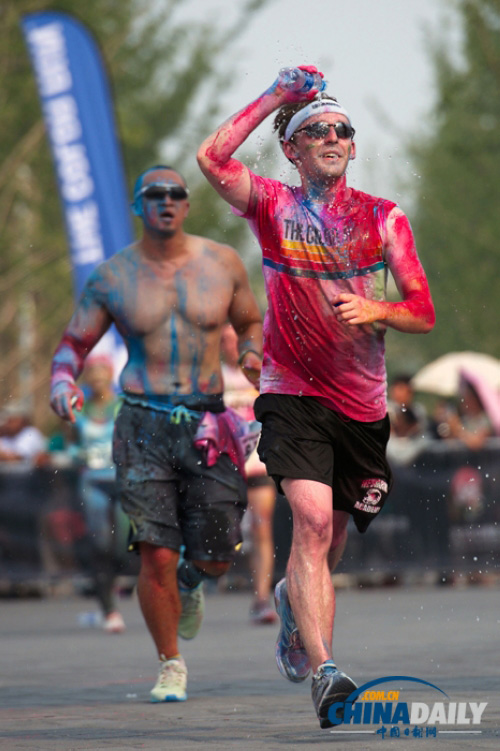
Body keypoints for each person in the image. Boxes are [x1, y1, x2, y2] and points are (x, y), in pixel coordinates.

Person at [197, 66, 435, 728]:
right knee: (312, 523)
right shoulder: (273, 203)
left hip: (361, 408)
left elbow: (423, 310)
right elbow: (211, 158)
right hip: (291, 392)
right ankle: (328, 670)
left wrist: (374, 308)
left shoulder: (383, 217)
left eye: (341, 130)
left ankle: (292, 604)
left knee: (331, 545)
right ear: (293, 150)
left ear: (353, 147)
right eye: (316, 130)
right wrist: (278, 96)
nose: (331, 136)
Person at [50, 165, 263, 702]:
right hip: (141, 421)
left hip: (208, 421)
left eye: (176, 194)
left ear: (187, 205)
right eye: (155, 195)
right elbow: (72, 346)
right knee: (155, 553)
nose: (166, 202)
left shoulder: (223, 263)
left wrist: (256, 355)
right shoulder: (113, 276)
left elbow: (251, 325)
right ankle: (170, 663)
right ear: (139, 207)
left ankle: (193, 582)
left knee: (216, 554)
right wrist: (60, 382)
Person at [220, 323, 277, 625]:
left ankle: (261, 598)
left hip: (258, 462)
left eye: (235, 340)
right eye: (225, 340)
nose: (231, 345)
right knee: (220, 530)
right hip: (223, 466)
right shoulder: (212, 375)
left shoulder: (257, 370)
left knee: (262, 527)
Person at [70, 353, 128, 633]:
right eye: (90, 372)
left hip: (121, 480)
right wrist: (74, 454)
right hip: (92, 481)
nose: (96, 377)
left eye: (100, 371)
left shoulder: (123, 406)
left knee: (121, 543)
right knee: (101, 542)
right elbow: (64, 445)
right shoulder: (78, 411)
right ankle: (108, 607)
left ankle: (117, 584)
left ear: (109, 373)